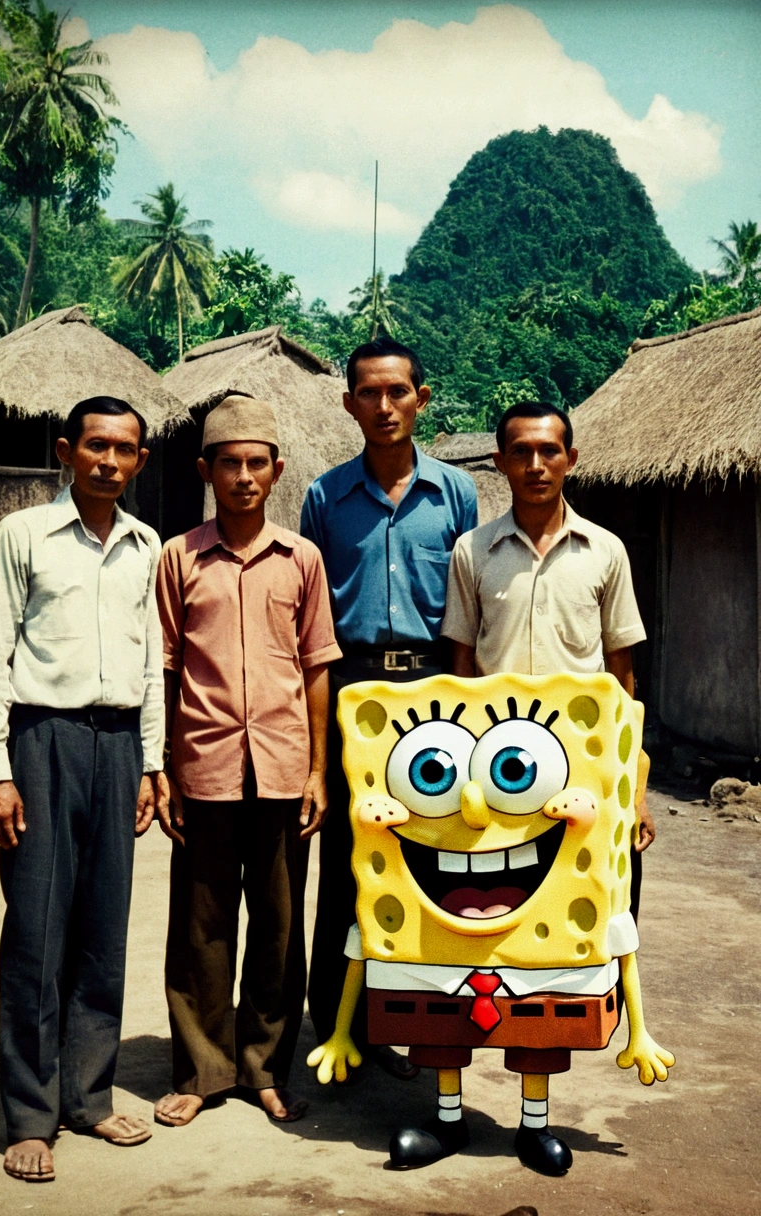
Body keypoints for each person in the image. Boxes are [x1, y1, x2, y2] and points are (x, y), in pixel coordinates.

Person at [0, 397, 166, 1183]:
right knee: (38, 929)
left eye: (123, 449)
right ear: (65, 451)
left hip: (116, 745)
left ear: (141, 460)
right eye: (95, 447)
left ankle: (89, 1092)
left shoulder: (145, 545)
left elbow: (150, 666)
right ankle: (29, 1114)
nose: (108, 461)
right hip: (40, 739)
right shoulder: (24, 536)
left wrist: (150, 764)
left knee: (102, 928)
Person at [153, 395, 341, 1129]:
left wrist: (320, 769)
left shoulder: (302, 560)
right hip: (202, 766)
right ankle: (204, 1069)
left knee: (279, 925)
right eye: (227, 463)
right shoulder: (178, 557)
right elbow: (164, 670)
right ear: (206, 471)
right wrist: (162, 766)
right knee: (199, 927)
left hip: (284, 768)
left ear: (276, 470)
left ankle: (264, 1067)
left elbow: (317, 665)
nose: (242, 476)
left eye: (256, 463)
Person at [300, 337, 478, 1071]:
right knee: (348, 858)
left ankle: (420, 1020)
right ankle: (340, 1024)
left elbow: (470, 606)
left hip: (435, 688)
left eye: (397, 392)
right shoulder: (324, 496)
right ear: (348, 404)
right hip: (352, 690)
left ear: (421, 399)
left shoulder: (456, 494)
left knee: (431, 855)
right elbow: (306, 616)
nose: (383, 406)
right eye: (368, 394)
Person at [441, 400, 656, 871]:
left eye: (549, 451)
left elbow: (622, 673)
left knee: (600, 886)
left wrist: (633, 787)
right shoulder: (472, 551)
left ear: (570, 459)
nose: (535, 466)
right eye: (520, 452)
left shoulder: (606, 551)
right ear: (500, 463)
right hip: (497, 755)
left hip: (585, 749)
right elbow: (460, 663)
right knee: (510, 883)